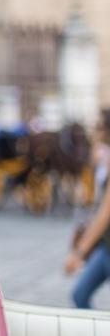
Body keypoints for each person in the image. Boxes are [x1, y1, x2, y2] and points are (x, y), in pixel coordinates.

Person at [64, 128, 110, 308]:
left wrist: (78, 253)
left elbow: (105, 214)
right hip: (106, 247)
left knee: (80, 295)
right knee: (79, 295)